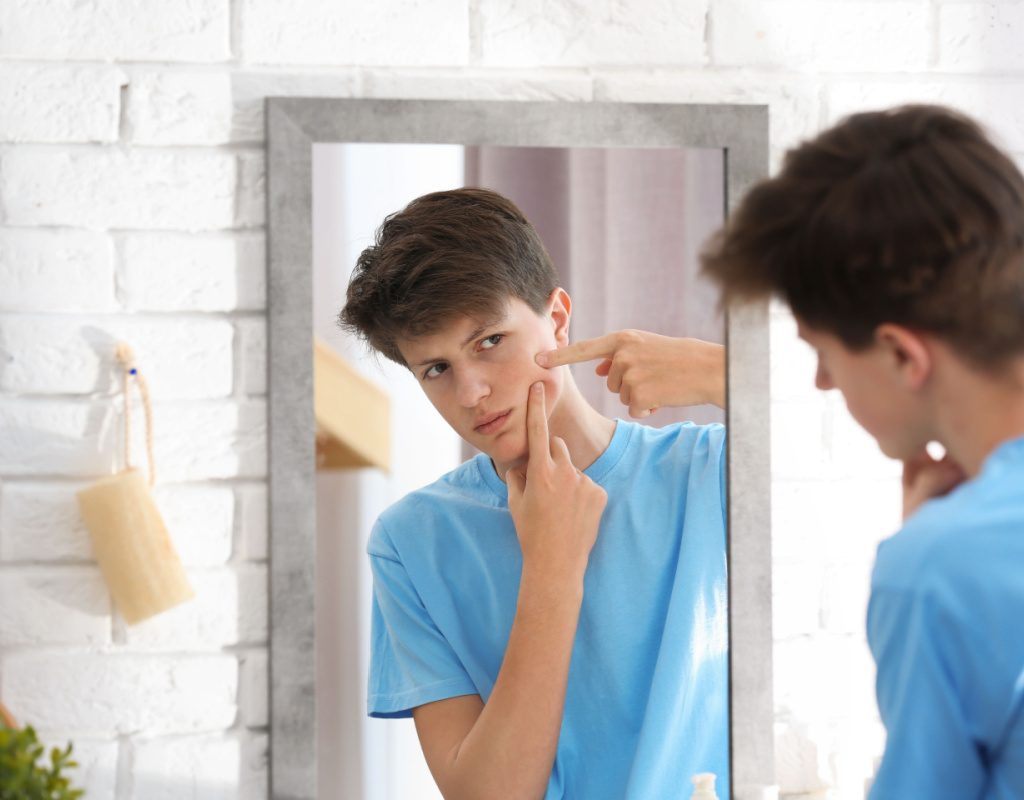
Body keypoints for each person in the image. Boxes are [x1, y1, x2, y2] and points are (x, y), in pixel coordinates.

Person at [340, 187, 729, 800]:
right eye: (436, 369)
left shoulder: (708, 470)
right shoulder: (411, 541)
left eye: (488, 341)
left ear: (558, 316)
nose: (470, 393)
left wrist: (720, 371)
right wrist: (552, 567)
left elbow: (864, 449)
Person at [697, 104, 1024, 798]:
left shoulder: (940, 568)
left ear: (901, 354)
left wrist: (930, 552)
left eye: (821, 352)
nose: (819, 382)